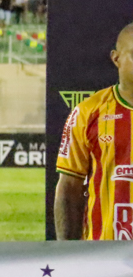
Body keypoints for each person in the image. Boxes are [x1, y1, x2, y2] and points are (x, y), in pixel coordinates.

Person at [55, 23, 133, 240]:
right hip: (104, 252)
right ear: (116, 58)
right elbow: (69, 188)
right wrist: (67, 251)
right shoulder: (88, 113)